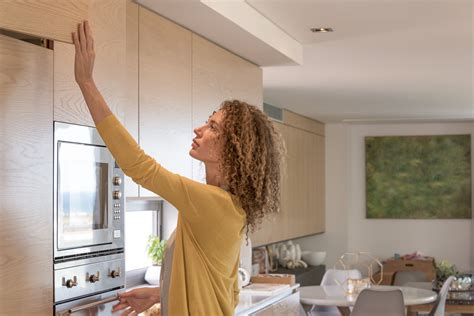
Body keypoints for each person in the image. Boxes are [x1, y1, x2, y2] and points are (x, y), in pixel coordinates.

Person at [72, 21, 284, 316]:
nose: (199, 129)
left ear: (232, 149)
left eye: (212, 127)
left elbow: (140, 166)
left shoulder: (212, 203)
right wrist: (162, 293)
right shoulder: (228, 206)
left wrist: (86, 82)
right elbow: (226, 290)